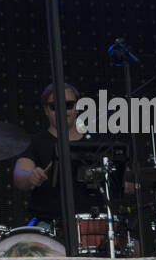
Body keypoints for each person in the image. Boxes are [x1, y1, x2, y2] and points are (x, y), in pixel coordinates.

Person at [13, 82, 132, 244]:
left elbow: (128, 181)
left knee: (133, 250)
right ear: (46, 110)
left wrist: (123, 183)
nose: (63, 111)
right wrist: (30, 177)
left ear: (77, 107)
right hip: (49, 225)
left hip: (96, 224)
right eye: (55, 106)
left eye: (68, 105)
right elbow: (20, 176)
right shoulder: (35, 142)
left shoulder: (99, 142)